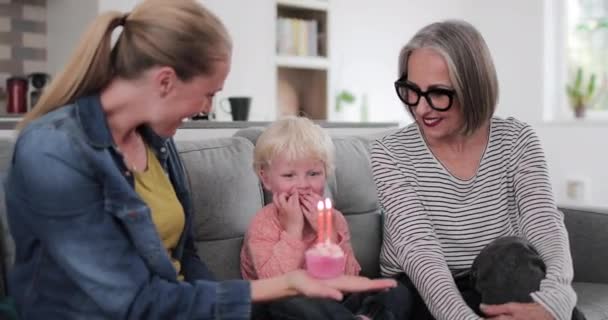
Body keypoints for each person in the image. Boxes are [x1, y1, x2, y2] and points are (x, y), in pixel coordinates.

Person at [2, 1, 396, 319]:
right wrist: (286, 284)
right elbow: (131, 304)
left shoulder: (156, 141)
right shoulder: (53, 152)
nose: (206, 108)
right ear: (165, 81)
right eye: (209, 94)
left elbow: (186, 258)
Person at [371, 20, 585, 320]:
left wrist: (557, 298)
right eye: (411, 91)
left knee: (511, 255)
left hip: (495, 279)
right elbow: (419, 249)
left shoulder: (517, 139)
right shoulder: (389, 152)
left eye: (438, 93)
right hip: (424, 289)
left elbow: (543, 222)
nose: (420, 108)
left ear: (472, 88)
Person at [241, 116, 408, 320]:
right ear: (266, 178)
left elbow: (349, 280)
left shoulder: (333, 218)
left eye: (313, 173)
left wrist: (328, 235)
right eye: (289, 175)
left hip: (333, 301)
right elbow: (276, 283)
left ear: (326, 173)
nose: (302, 185)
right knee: (294, 302)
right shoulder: (263, 224)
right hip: (284, 304)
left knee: (395, 289)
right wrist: (292, 230)